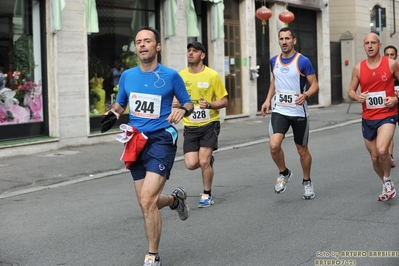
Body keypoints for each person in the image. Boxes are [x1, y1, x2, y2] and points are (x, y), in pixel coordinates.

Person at [105, 26, 194, 266]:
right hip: (135, 140)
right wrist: (112, 114)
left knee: (147, 200)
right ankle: (175, 200)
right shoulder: (127, 76)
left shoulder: (170, 76)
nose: (142, 45)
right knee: (147, 202)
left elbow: (189, 103)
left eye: (147, 41)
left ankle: (152, 255)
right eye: (138, 42)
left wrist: (181, 110)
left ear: (158, 46)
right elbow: (121, 104)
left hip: (162, 138)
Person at [261, 27, 319, 200]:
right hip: (280, 109)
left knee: (302, 151)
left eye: (287, 38)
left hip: (298, 111)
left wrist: (306, 95)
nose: (284, 42)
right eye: (281, 39)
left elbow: (315, 84)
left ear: (294, 40)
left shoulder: (303, 61)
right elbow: (275, 81)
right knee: (274, 145)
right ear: (278, 41)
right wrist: (267, 100)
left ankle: (307, 181)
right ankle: (284, 172)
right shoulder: (274, 61)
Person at [174, 41, 228, 208]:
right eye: (189, 50)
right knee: (191, 164)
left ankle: (207, 194)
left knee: (203, 162)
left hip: (209, 124)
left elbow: (224, 100)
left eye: (195, 51)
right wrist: (175, 104)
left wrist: (210, 105)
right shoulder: (181, 75)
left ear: (202, 55)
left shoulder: (212, 75)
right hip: (190, 125)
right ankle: (208, 161)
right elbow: (174, 97)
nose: (190, 53)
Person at [348, 33, 399, 201]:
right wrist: (357, 97)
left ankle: (387, 182)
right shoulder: (358, 68)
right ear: (363, 46)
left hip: (387, 115)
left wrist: (396, 98)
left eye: (373, 43)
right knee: (375, 157)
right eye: (367, 43)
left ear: (379, 45)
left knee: (383, 149)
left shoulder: (391, 64)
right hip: (368, 117)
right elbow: (350, 91)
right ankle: (387, 181)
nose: (370, 46)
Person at [383, 45, 399, 168]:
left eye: (392, 55)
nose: (389, 57)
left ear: (396, 56)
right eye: (387, 55)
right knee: (388, 134)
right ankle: (390, 156)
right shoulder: (382, 73)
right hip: (389, 109)